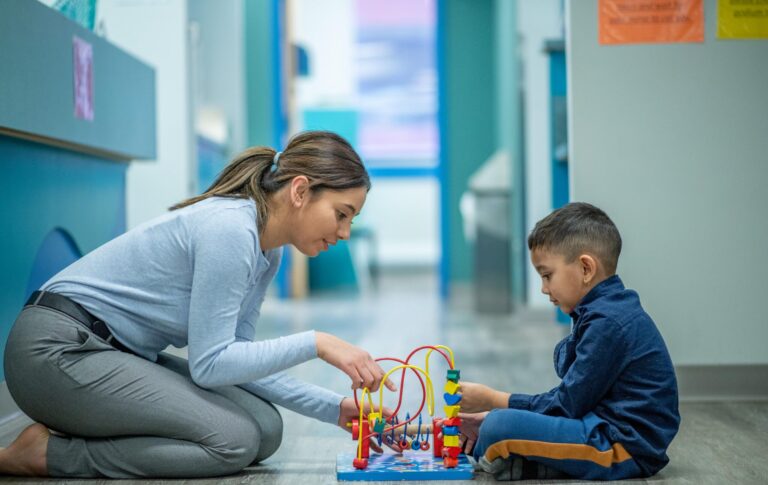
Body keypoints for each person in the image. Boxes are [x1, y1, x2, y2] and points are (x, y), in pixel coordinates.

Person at [0, 130, 396, 478]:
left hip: (113, 353)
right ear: (299, 191)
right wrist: (317, 343)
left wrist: (336, 408)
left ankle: (87, 424)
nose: (344, 232)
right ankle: (50, 455)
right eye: (341, 214)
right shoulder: (230, 230)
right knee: (233, 441)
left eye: (351, 221)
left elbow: (236, 360)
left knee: (265, 429)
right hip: (55, 352)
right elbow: (210, 366)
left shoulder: (266, 250)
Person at [458, 202, 680, 481]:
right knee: (494, 426)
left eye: (547, 275)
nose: (543, 288)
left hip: (622, 445)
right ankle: (527, 463)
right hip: (601, 425)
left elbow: (565, 405)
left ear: (586, 268)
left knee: (498, 425)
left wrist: (493, 400)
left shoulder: (608, 323)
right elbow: (569, 387)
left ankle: (503, 443)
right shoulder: (600, 312)